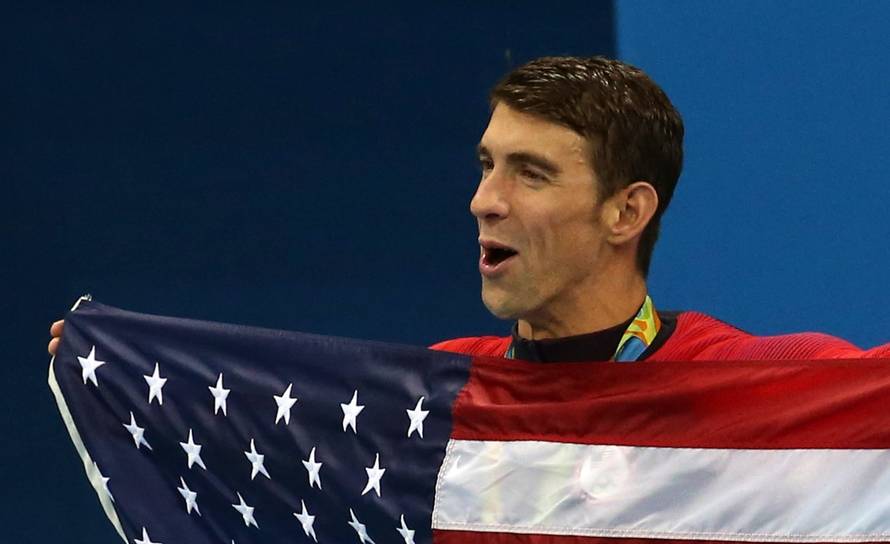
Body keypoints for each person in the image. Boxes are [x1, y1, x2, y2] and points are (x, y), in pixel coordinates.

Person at [49, 56, 890, 361]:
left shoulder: (764, 387)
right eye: (487, 166)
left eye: (530, 173)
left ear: (625, 212)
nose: (483, 201)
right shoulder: (437, 396)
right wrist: (124, 372)